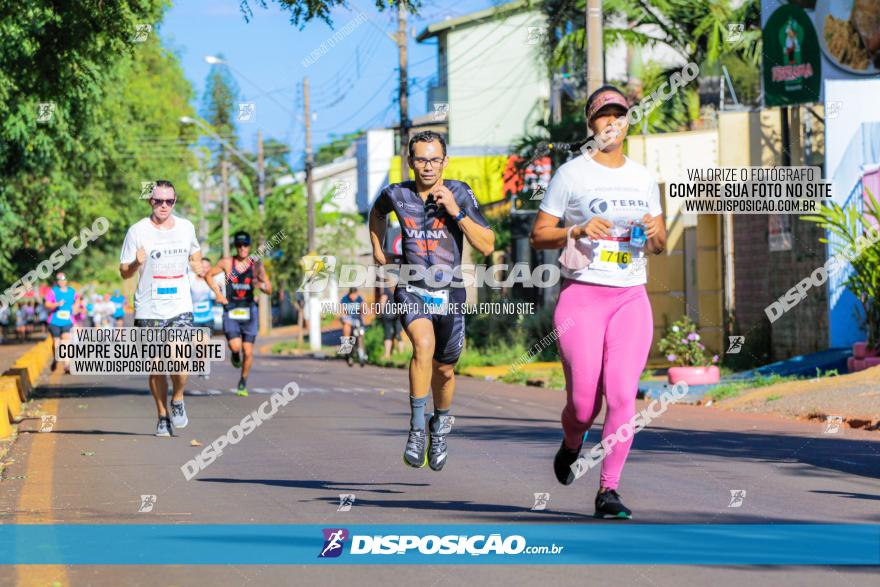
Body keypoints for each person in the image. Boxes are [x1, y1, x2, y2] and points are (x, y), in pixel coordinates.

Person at [529, 85, 667, 520]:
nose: (612, 122)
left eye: (620, 115)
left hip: (630, 298)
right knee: (584, 405)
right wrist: (577, 230)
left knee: (624, 395)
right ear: (591, 124)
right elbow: (538, 234)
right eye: (604, 116)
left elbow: (660, 243)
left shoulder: (644, 177)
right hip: (583, 297)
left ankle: (609, 491)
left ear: (628, 122)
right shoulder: (571, 174)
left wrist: (653, 229)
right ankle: (572, 444)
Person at [368, 130, 495, 471]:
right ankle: (415, 429)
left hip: (450, 293)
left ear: (445, 161)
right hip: (412, 287)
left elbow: (487, 245)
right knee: (422, 346)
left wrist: (456, 211)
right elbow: (377, 213)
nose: (428, 167)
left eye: (434, 159)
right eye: (421, 159)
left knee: (445, 370)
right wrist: (378, 248)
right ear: (410, 162)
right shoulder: (396, 194)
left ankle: (438, 426)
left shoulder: (459, 193)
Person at [119, 180, 204, 437]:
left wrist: (197, 265)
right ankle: (162, 415)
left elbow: (196, 252)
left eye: (169, 201)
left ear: (174, 202)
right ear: (150, 201)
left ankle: (177, 398)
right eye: (158, 201)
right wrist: (136, 262)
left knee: (179, 360)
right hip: (148, 309)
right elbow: (124, 272)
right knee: (157, 366)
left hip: (180, 305)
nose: (164, 205)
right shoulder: (137, 231)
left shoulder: (187, 227)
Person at [207, 231, 272, 397]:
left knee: (248, 352)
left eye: (245, 245)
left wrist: (260, 285)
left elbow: (269, 289)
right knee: (236, 346)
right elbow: (208, 275)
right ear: (235, 246)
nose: (242, 248)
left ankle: (243, 382)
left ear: (249, 246)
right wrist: (219, 294)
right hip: (231, 310)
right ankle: (235, 354)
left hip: (249, 312)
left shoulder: (256, 265)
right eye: (239, 245)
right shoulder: (227, 263)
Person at [44, 273, 79, 372]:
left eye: (63, 280)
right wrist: (56, 304)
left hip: (67, 320)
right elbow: (46, 304)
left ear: (66, 281)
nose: (61, 282)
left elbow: (78, 299)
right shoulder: (53, 291)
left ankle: (67, 364)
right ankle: (55, 359)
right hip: (54, 321)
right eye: (59, 280)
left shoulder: (72, 291)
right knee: (56, 343)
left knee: (66, 342)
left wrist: (76, 307)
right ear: (57, 281)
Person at [190, 258, 216, 379]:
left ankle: (203, 367)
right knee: (197, 345)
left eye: (207, 267)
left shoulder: (212, 281)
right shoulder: (190, 280)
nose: (204, 269)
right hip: (194, 319)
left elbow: (218, 296)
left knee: (205, 345)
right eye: (202, 266)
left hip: (208, 318)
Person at [378, 286, 404, 360]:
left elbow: (383, 300)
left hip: (388, 314)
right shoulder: (400, 289)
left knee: (388, 335)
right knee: (398, 335)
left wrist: (380, 312)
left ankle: (387, 354)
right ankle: (401, 355)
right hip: (398, 314)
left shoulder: (387, 289)